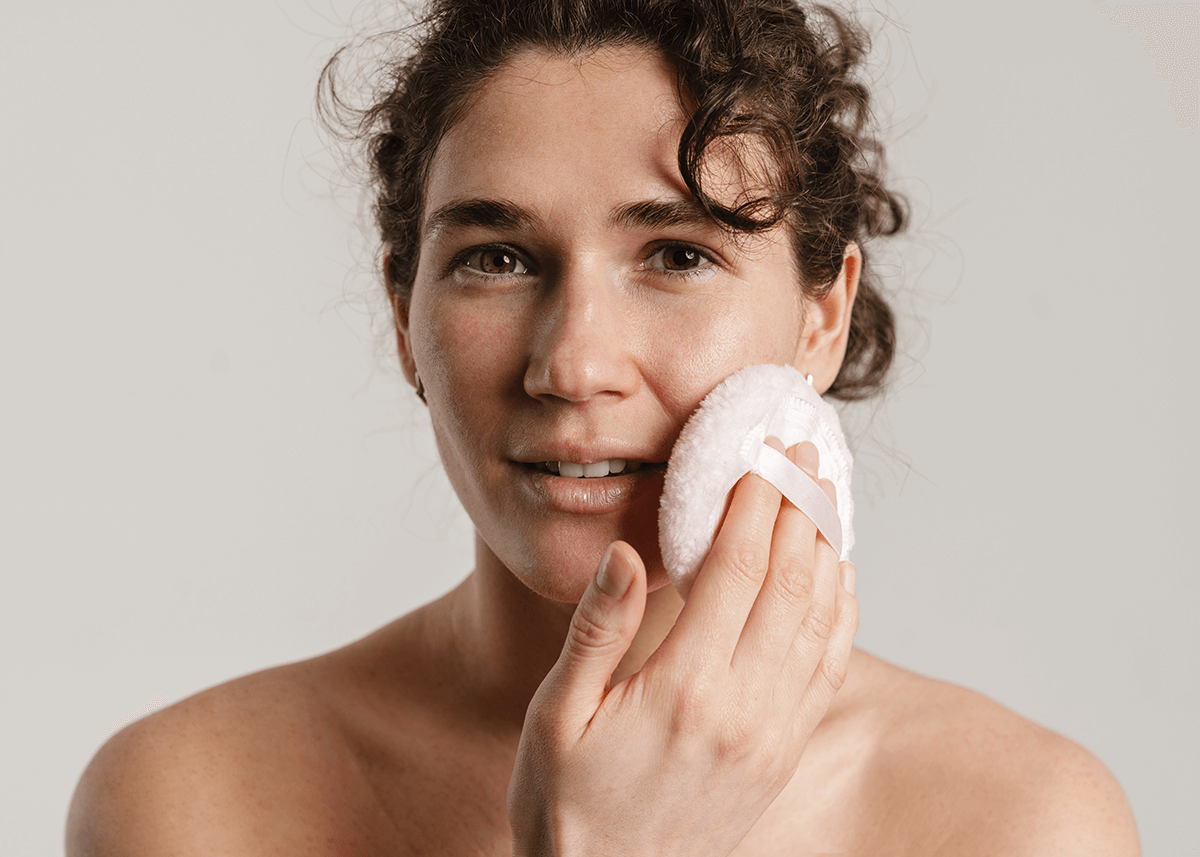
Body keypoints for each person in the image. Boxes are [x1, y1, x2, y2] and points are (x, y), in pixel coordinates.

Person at [66, 0, 1140, 853]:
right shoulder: (191, 805)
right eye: (496, 258)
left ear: (824, 316)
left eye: (677, 254)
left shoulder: (1019, 823)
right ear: (405, 316)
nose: (572, 363)